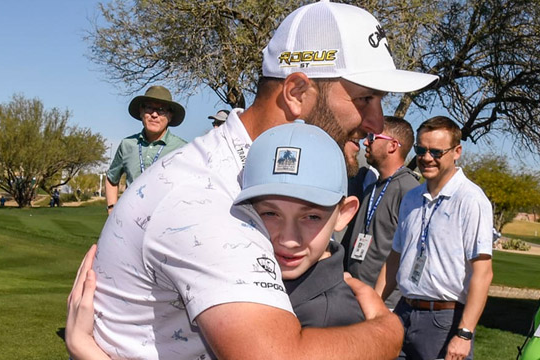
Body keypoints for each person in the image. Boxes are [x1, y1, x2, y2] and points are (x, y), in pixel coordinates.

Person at [67, 2, 438, 359]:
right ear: (296, 93)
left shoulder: (241, 174)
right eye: (365, 99)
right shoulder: (208, 200)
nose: (376, 123)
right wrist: (388, 332)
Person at [377, 116, 493, 360]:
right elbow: (394, 258)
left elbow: (483, 273)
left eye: (436, 152)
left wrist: (464, 334)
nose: (427, 158)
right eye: (421, 149)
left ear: (457, 151)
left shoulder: (471, 200)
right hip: (402, 312)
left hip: (442, 321)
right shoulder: (411, 197)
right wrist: (375, 306)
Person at [233, 121, 364, 328]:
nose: (289, 240)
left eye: (312, 217)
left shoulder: (329, 320)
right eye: (270, 213)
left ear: (343, 214)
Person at [342, 116, 419, 309]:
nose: (366, 142)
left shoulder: (409, 191)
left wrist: (380, 301)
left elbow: (411, 253)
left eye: (372, 137)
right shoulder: (372, 186)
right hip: (355, 294)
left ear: (392, 146)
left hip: (385, 304)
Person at [105, 85, 187, 214]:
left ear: (170, 116)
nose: (154, 115)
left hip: (165, 222)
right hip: (129, 221)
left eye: (161, 110)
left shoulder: (182, 148)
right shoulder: (127, 145)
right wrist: (111, 208)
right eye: (149, 108)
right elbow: (111, 178)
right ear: (141, 111)